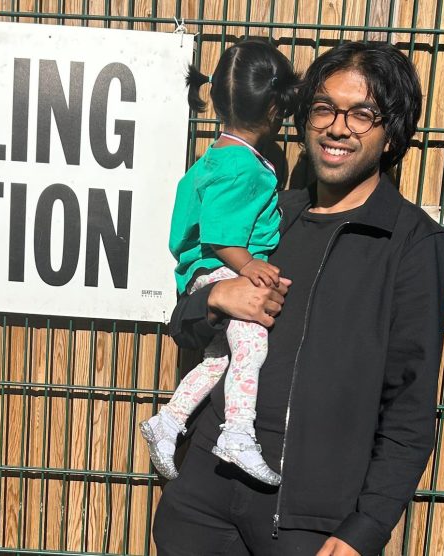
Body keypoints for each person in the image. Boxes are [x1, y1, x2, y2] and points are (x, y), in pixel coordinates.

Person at [152, 41, 444, 556]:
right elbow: (185, 324)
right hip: (202, 505)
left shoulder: (411, 244)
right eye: (323, 108)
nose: (338, 127)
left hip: (306, 526)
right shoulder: (272, 214)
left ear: (390, 134)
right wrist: (217, 298)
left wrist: (366, 528)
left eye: (362, 114)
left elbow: (409, 407)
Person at [139, 40, 301, 487]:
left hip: (200, 274)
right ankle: (238, 435)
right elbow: (219, 233)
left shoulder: (210, 162)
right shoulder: (242, 168)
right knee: (253, 346)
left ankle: (168, 422)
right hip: (223, 270)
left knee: (217, 360)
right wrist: (246, 265)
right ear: (274, 109)